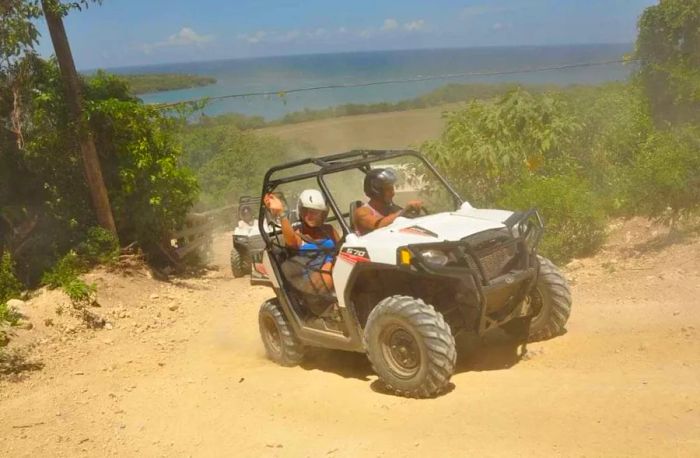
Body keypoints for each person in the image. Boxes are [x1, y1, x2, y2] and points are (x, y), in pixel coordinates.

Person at [264, 189, 341, 296]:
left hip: (337, 274)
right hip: (312, 282)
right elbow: (291, 241)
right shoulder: (298, 235)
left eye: (315, 212)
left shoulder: (329, 230)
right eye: (306, 211)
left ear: (323, 214)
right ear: (300, 211)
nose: (310, 215)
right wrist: (281, 213)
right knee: (330, 266)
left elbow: (342, 249)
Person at [353, 168, 423, 235]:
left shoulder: (393, 209)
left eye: (392, 189)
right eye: (388, 189)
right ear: (376, 191)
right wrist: (403, 211)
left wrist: (413, 214)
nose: (393, 193)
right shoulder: (362, 212)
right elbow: (378, 225)